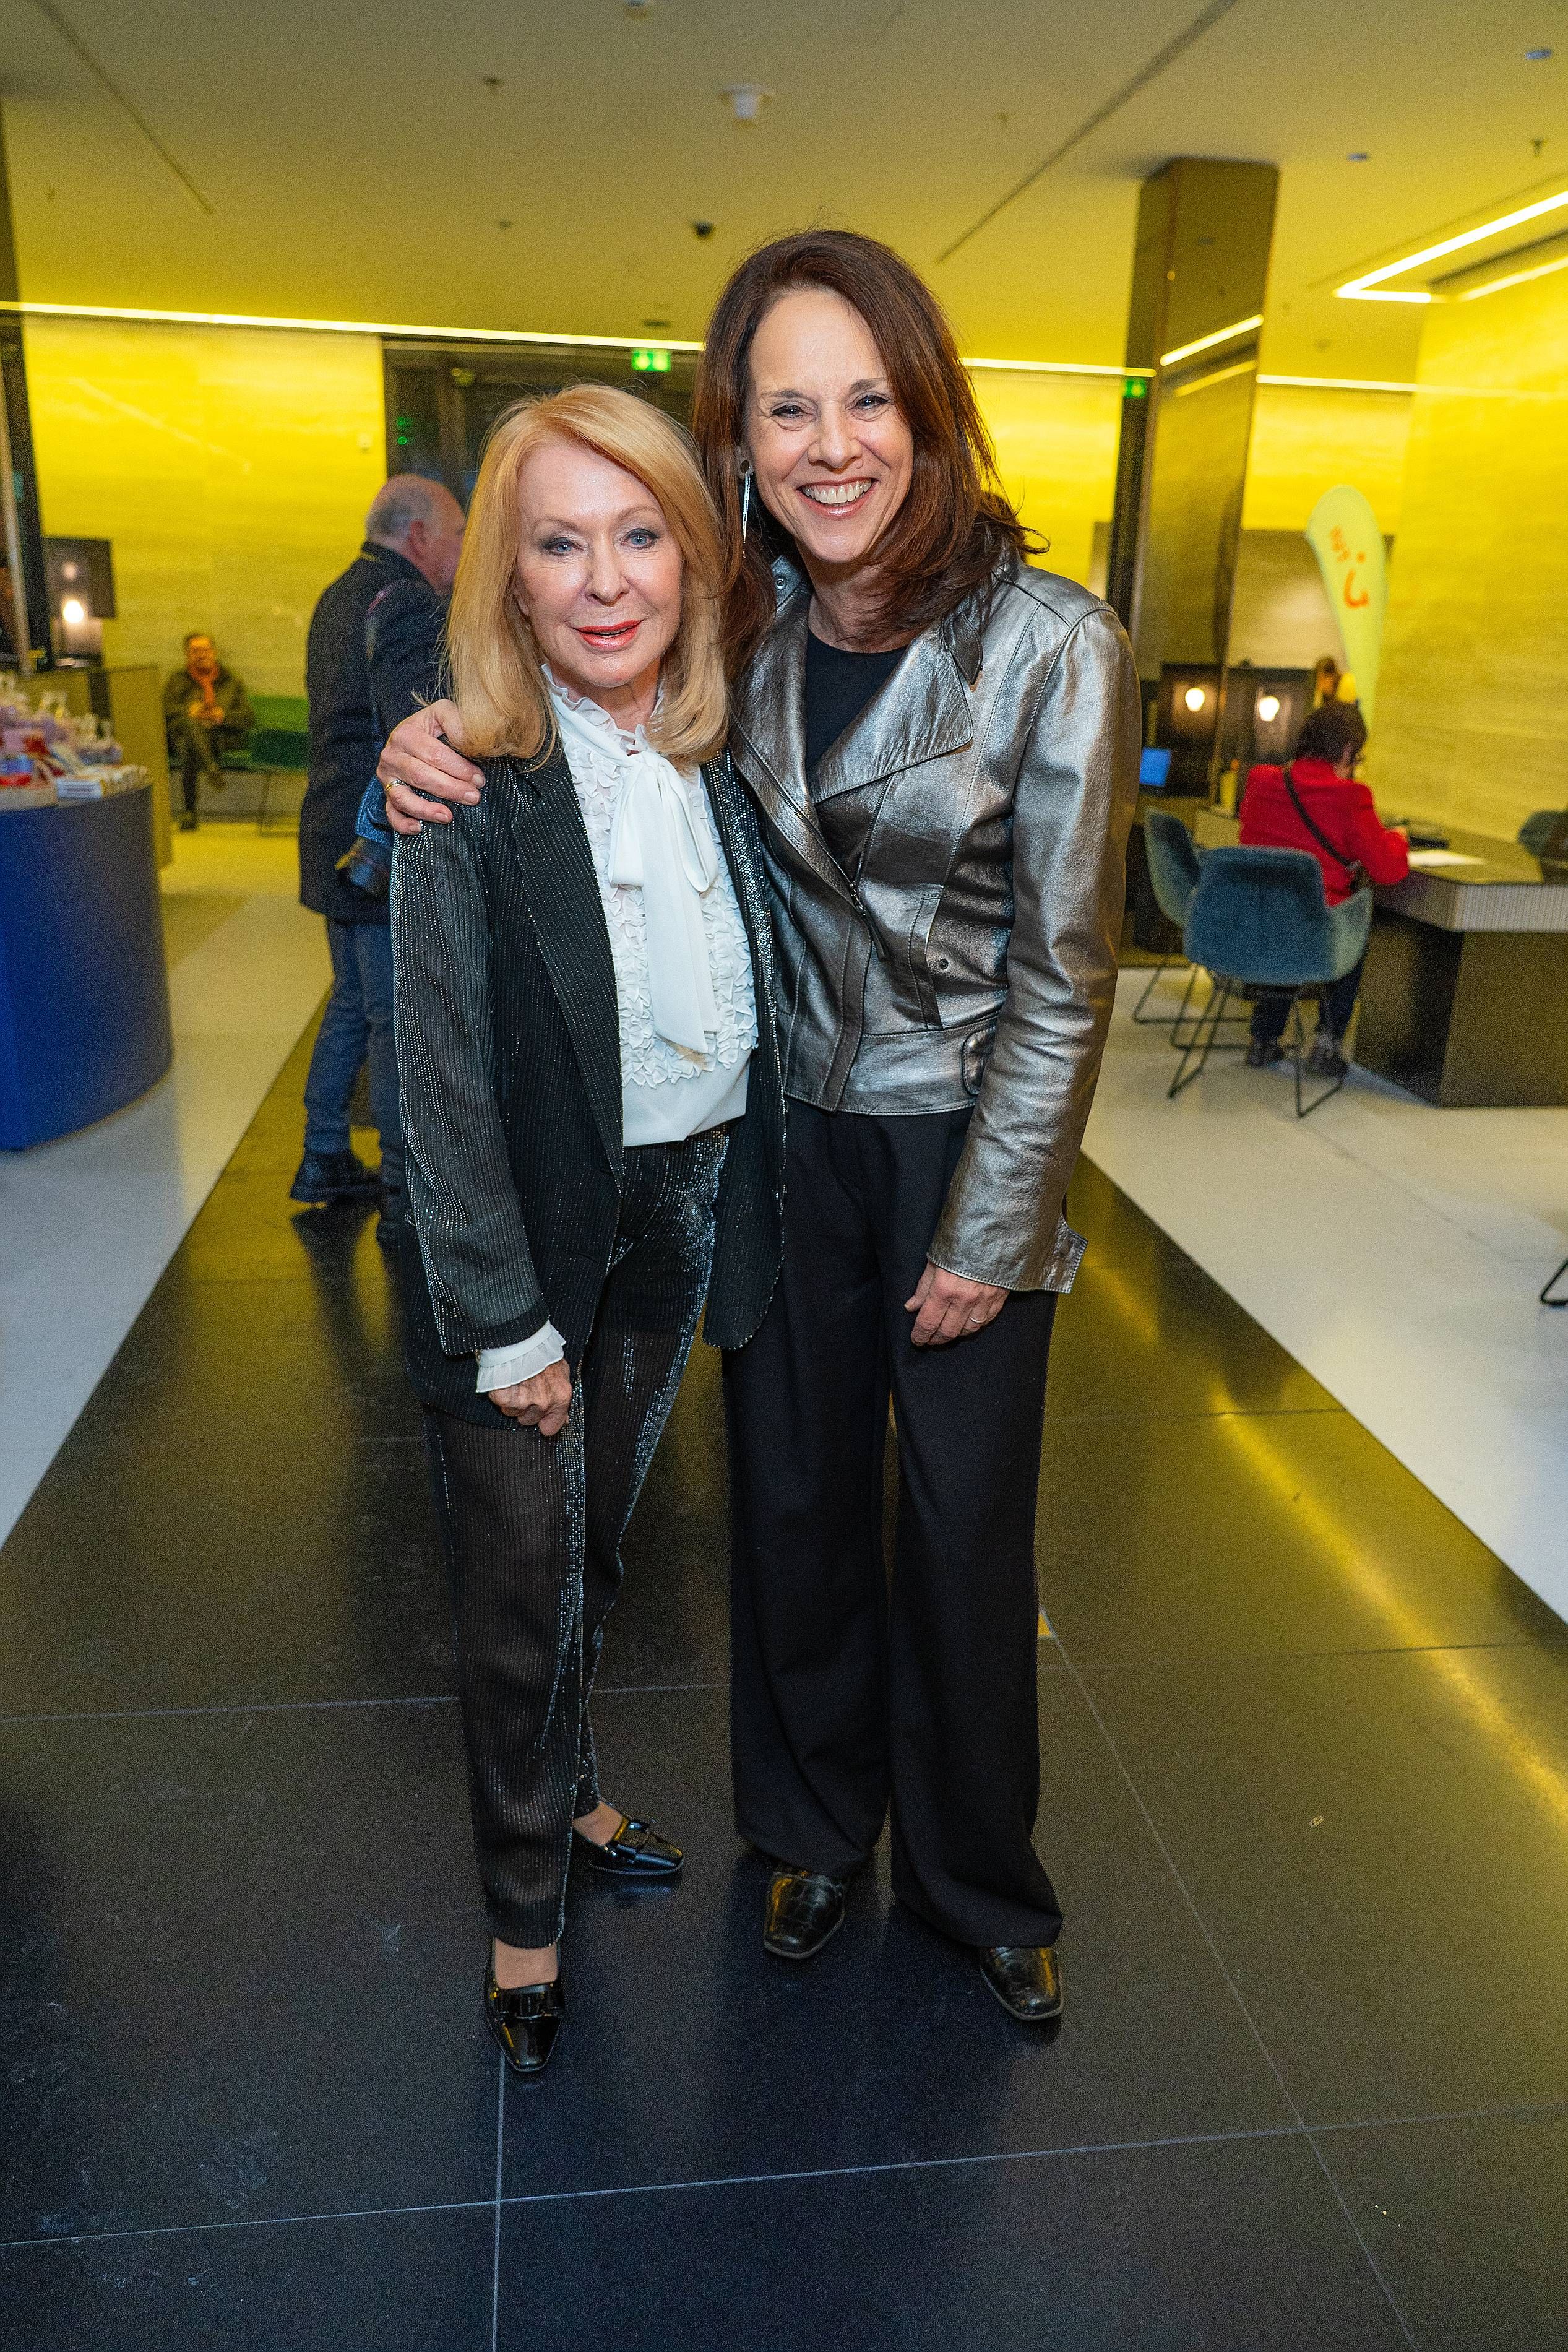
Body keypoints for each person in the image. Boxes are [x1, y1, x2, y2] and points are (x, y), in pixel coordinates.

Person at [376, 230, 1139, 2027]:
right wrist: (424, 740)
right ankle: (807, 1827)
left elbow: (1068, 964)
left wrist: (994, 1216)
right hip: (781, 1138)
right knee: (790, 1505)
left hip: (960, 1135)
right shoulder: (748, 624)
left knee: (961, 1530)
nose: (827, 443)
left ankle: (975, 1879)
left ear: (927, 408)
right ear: (743, 436)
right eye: (784, 406)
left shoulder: (1052, 644)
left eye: (863, 397)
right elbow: (559, 683)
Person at [389, 386, 783, 2075]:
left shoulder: (724, 755)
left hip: (679, 1204)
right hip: (528, 1241)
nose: (606, 579)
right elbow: (438, 1086)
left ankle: (581, 1781)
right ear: (507, 575)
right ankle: (521, 1908)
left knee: (602, 1547)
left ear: (694, 562)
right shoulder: (465, 778)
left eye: (640, 536)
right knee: (513, 1581)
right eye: (561, 541)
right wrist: (501, 1315)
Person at [290, 477, 465, 1236]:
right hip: (377, 842)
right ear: (420, 533)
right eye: (457, 534)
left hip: (328, 833)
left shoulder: (339, 592)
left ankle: (324, 1149)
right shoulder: (406, 604)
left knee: (354, 1005)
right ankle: (401, 1182)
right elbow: (415, 727)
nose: (462, 552)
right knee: (393, 1017)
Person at [1239, 699, 1408, 1077]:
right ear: (1348, 750)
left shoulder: (1260, 780)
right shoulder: (1352, 797)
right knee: (1352, 928)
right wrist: (1399, 838)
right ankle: (1326, 1046)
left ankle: (1263, 1039)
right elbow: (1386, 870)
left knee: (1283, 912)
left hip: (1251, 924)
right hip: (1313, 936)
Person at [163, 633, 252, 832]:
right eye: (196, 651)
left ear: (214, 653)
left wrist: (223, 715)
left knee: (191, 746)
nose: (201, 655)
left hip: (220, 737)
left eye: (205, 650)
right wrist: (188, 711)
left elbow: (247, 717)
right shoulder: (177, 681)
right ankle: (211, 768)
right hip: (185, 734)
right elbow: (165, 709)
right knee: (190, 736)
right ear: (188, 655)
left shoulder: (231, 682)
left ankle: (190, 811)